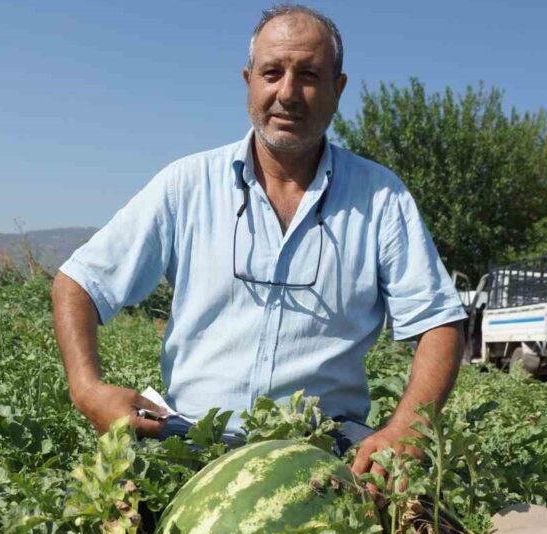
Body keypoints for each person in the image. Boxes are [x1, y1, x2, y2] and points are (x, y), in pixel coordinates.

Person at [51, 4, 466, 488]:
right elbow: (79, 282)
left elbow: (440, 323)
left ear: (338, 89)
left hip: (325, 458)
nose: (287, 93)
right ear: (249, 80)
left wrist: (405, 432)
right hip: (190, 446)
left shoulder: (381, 197)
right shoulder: (188, 185)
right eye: (272, 73)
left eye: (309, 75)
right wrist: (87, 388)